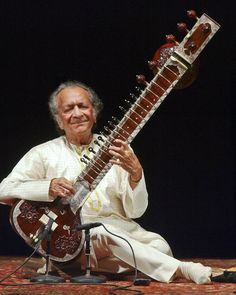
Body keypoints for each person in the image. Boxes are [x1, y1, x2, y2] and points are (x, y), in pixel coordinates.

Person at [0, 80, 212, 284]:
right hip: (74, 233)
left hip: (120, 230)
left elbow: (136, 212)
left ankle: (71, 266)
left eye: (83, 106)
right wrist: (48, 187)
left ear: (94, 113)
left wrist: (136, 175)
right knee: (101, 232)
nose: (77, 114)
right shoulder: (43, 154)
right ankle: (181, 268)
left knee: (160, 247)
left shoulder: (117, 151)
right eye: (68, 109)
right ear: (58, 119)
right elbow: (4, 190)